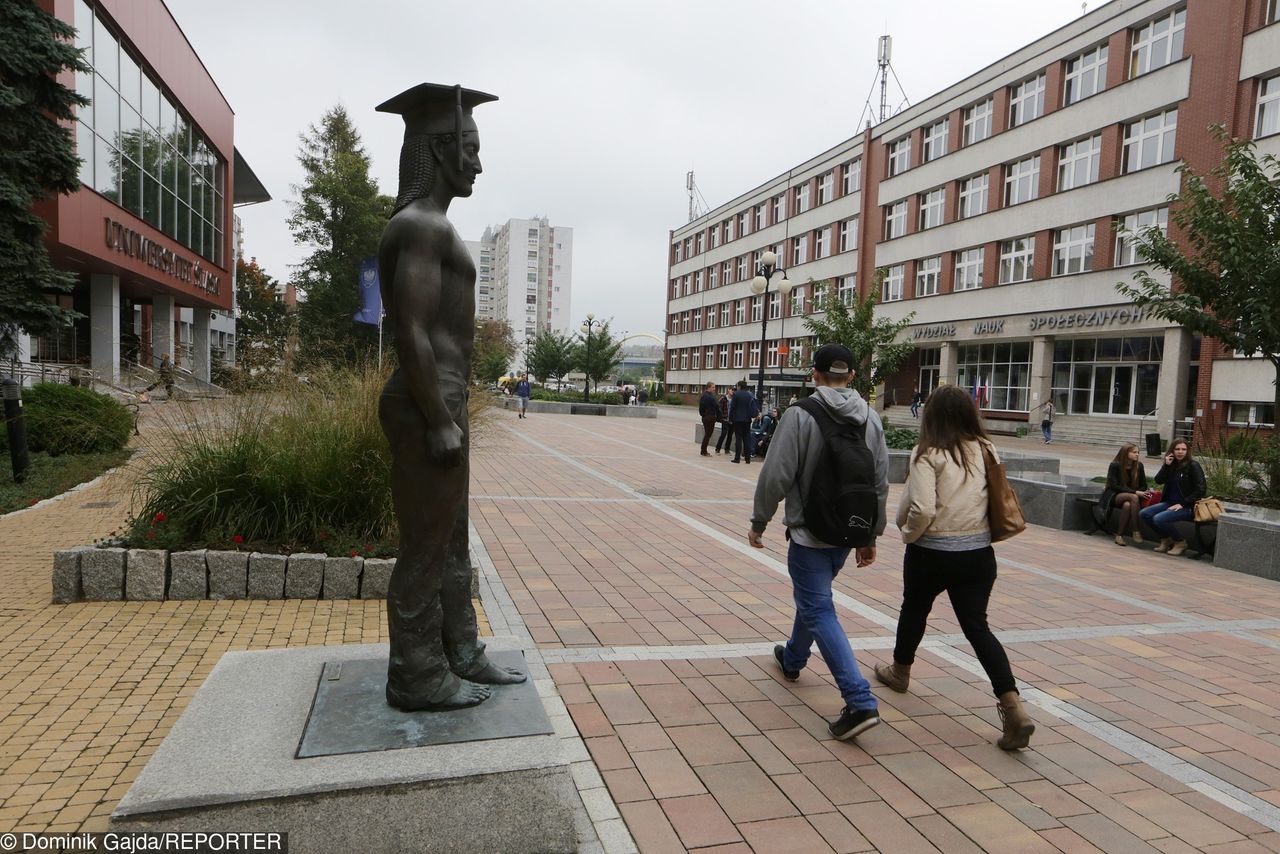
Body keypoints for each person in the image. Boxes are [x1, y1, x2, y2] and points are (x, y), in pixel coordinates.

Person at [375, 82, 525, 711]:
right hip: (423, 405)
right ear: (438, 150)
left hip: (442, 402)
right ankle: (415, 673)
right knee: (426, 544)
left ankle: (460, 650)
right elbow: (409, 327)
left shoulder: (435, 226)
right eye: (469, 148)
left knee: (453, 538)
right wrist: (438, 419)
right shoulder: (418, 227)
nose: (478, 163)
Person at [881, 383, 1036, 751]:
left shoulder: (928, 453)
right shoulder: (986, 448)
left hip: (932, 552)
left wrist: (909, 535)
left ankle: (900, 671)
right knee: (977, 628)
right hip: (978, 554)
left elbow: (922, 508)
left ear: (932, 415)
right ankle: (1012, 706)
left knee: (915, 609)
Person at [749, 343, 889, 740]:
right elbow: (878, 482)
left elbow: (776, 473)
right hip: (847, 530)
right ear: (853, 377)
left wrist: (760, 521)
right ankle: (793, 658)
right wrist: (870, 535)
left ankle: (859, 700)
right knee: (815, 599)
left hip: (810, 531)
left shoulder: (800, 414)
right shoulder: (871, 420)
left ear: (815, 374)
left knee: (818, 607)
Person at [1139, 439, 1207, 556]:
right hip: (1169, 503)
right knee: (1144, 513)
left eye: (1183, 449)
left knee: (1159, 519)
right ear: (1172, 451)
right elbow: (1158, 480)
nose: (1180, 452)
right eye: (1177, 449)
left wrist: (1183, 504)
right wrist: (1166, 466)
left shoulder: (1193, 466)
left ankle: (1180, 542)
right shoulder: (1171, 465)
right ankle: (1166, 539)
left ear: (1188, 451)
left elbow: (1201, 489)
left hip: (1188, 506)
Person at [1104, 443, 1152, 547]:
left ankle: (1119, 535)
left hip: (1130, 499)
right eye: (1134, 452)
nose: (1137, 454)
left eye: (1138, 452)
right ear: (1126, 453)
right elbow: (1113, 486)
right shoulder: (1115, 465)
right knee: (1134, 497)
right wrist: (1135, 492)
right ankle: (1136, 530)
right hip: (1114, 495)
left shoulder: (1139, 466)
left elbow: (1143, 485)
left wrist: (1140, 491)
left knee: (1127, 505)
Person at [728, 380, 758, 464]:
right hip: (747, 419)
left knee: (738, 438)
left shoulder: (736, 394)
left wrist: (730, 419)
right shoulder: (750, 394)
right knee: (746, 439)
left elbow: (732, 407)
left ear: (739, 386)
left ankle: (737, 458)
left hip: (737, 419)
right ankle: (747, 459)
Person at [698, 382, 719, 457]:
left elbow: (701, 409)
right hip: (709, 417)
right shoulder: (710, 397)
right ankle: (704, 451)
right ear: (708, 387)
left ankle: (703, 450)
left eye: (714, 387)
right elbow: (717, 406)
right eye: (713, 387)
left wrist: (703, 414)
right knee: (708, 434)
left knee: (707, 434)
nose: (714, 389)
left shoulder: (704, 395)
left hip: (706, 417)